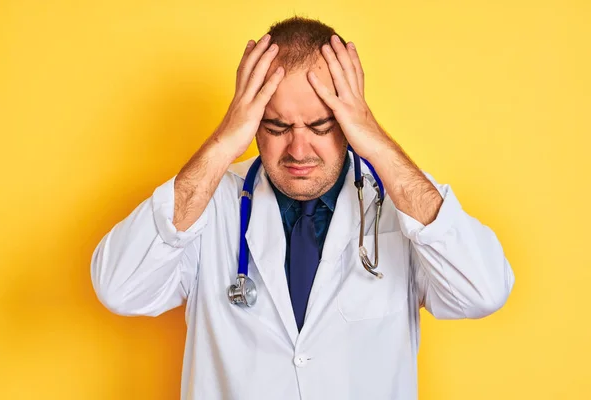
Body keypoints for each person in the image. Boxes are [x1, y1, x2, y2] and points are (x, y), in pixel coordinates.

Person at [91, 16, 515, 400]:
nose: (298, 148)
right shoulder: (210, 203)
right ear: (251, 120)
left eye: (320, 126)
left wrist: (380, 146)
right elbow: (120, 288)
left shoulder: (398, 204)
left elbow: (483, 291)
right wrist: (220, 145)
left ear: (351, 122)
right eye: (276, 126)